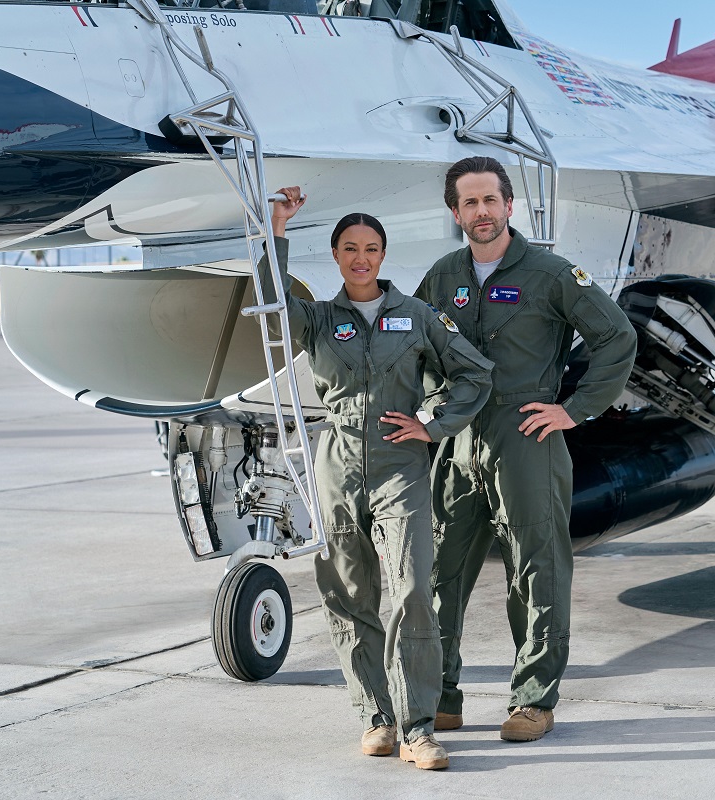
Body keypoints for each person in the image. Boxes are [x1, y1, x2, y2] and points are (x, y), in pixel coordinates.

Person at [258, 187, 493, 770]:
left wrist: (432, 424)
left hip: (400, 469)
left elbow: (474, 374)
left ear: (383, 256)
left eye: (371, 248)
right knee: (349, 593)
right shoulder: (317, 318)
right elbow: (269, 301)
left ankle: (418, 728)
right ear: (336, 256)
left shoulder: (416, 317)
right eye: (349, 249)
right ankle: (375, 716)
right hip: (337, 464)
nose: (361, 258)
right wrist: (276, 230)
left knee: (412, 589)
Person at [415, 157, 638, 742]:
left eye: (490, 200)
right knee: (441, 569)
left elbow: (616, 336)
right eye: (469, 203)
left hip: (527, 435)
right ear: (455, 212)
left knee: (534, 569)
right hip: (458, 437)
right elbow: (413, 347)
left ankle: (533, 700)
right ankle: (440, 696)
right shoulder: (442, 276)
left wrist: (575, 407)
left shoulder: (552, 273)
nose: (481, 212)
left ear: (509, 205)